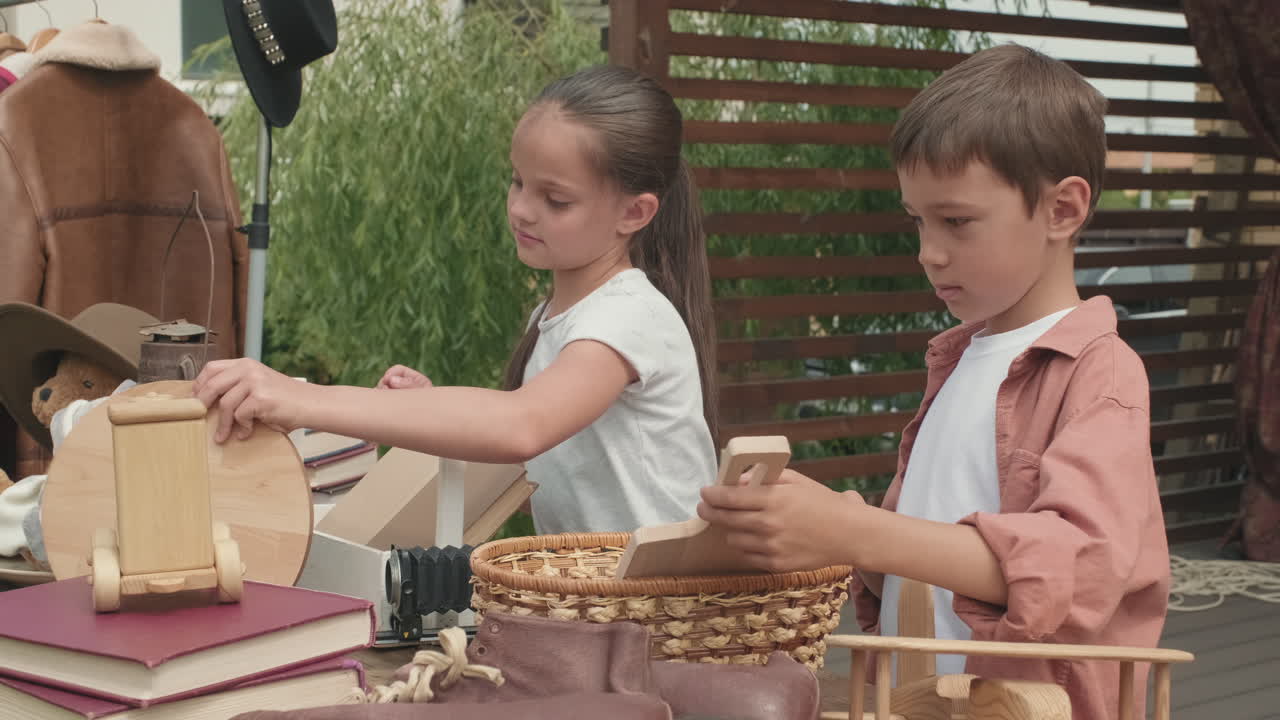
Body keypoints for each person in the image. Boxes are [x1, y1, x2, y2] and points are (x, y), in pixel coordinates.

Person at [697, 45, 1170, 720]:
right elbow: (922, 552)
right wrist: (826, 526)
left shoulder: (1101, 372)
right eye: (918, 220)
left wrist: (856, 531)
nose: (929, 252)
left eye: (956, 221)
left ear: (1062, 210)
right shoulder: (958, 359)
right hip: (919, 701)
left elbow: (1081, 568)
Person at [192, 65, 718, 536]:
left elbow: (521, 426)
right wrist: (427, 410)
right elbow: (537, 473)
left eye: (555, 200)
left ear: (634, 213)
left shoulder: (627, 316)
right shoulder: (553, 318)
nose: (521, 209)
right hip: (595, 596)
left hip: (666, 604)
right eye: (517, 182)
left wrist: (299, 398)